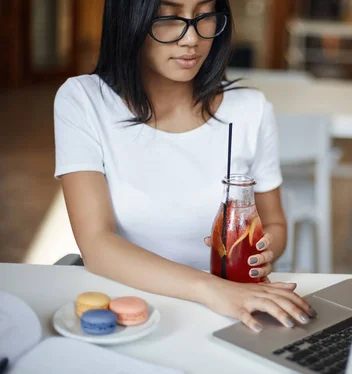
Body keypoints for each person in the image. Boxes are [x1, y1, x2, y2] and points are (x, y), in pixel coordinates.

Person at [53, 0, 315, 333]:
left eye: (204, 16)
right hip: (132, 309)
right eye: (168, 17)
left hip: (228, 309)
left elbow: (275, 222)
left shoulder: (250, 110)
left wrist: (264, 252)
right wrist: (212, 290)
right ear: (129, 18)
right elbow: (96, 245)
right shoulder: (83, 100)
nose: (191, 37)